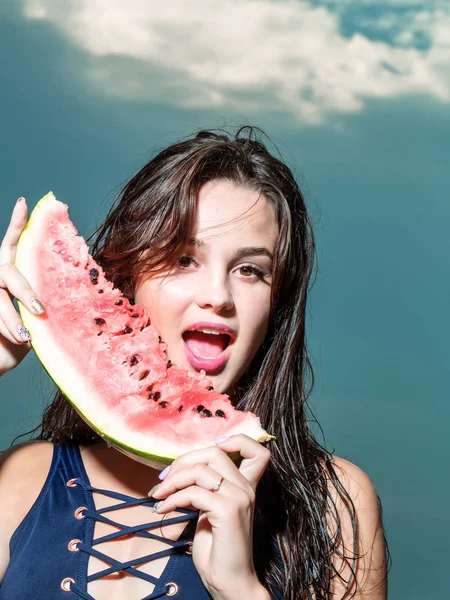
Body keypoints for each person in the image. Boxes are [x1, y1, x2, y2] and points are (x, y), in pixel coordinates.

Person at [0, 127, 388, 599]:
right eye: (184, 259)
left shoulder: (333, 504)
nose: (218, 297)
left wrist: (239, 588)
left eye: (250, 270)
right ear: (125, 281)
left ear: (276, 305)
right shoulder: (20, 480)